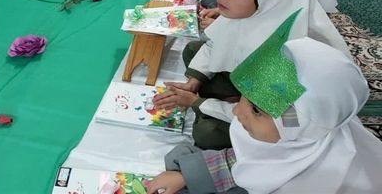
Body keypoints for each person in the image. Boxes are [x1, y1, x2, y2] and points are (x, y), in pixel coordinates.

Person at [153, 0, 349, 150]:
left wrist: (197, 102)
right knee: (194, 50)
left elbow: (274, 123)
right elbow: (215, 44)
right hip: (252, 88)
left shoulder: (291, 52)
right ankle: (228, 96)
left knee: (207, 134)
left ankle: (225, 102)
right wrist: (194, 82)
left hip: (276, 119)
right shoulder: (255, 12)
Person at [147, 35, 382, 194]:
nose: (238, 111)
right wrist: (189, 174)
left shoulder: (315, 183)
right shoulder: (294, 132)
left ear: (295, 125)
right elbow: (257, 159)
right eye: (243, 98)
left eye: (256, 110)